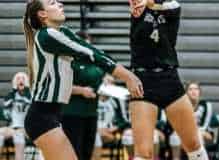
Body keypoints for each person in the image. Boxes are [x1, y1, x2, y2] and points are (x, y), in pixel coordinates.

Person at [23, 1, 143, 160]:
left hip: (54, 114)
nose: (60, 3)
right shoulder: (47, 35)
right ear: (43, 14)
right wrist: (127, 75)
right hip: (42, 116)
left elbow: (91, 51)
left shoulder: (62, 31)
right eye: (53, 2)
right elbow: (88, 53)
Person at [128, 0, 209, 160]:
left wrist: (149, 3)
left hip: (169, 78)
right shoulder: (138, 4)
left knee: (193, 144)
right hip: (143, 80)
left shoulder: (173, 6)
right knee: (144, 153)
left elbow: (168, 5)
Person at [61, 31, 106, 160]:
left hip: (91, 112)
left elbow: (100, 82)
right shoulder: (67, 61)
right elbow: (61, 86)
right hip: (72, 113)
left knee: (88, 150)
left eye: (88, 44)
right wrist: (81, 91)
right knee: (75, 151)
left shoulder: (94, 62)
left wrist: (105, 87)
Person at [1, 72, 31, 160]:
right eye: (18, 78)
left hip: (27, 129)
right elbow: (6, 115)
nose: (20, 80)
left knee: (19, 136)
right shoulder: (10, 96)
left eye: (23, 78)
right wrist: (13, 94)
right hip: (13, 128)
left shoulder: (31, 96)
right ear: (15, 82)